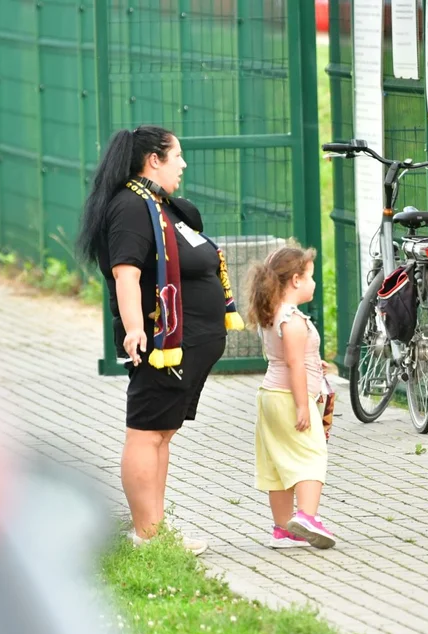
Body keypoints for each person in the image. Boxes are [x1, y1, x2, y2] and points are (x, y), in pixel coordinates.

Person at [77, 125, 244, 554]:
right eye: (177, 157)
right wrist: (136, 329)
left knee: (161, 433)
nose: (183, 165)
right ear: (153, 160)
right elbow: (126, 274)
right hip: (162, 346)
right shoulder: (132, 209)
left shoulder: (160, 206)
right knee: (146, 434)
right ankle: (145, 535)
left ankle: (155, 530)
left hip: (189, 343)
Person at [245, 246, 336, 549]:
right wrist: (302, 406)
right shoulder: (293, 321)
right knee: (312, 455)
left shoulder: (272, 314)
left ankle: (283, 529)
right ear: (295, 280)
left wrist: (315, 362)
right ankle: (307, 518)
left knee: (278, 464)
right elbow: (294, 364)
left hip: (269, 396)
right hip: (289, 397)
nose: (313, 283)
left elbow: (289, 356)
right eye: (310, 277)